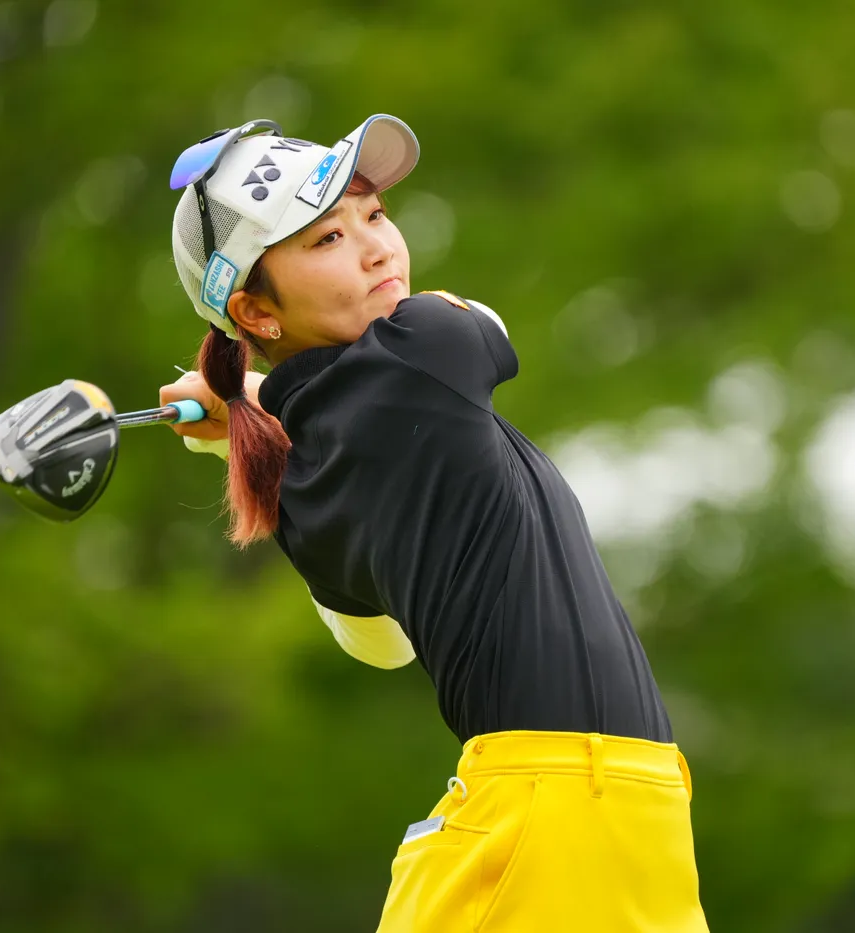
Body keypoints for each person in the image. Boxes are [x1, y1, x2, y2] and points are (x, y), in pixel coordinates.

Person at [159, 114, 709, 932]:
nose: (378, 249)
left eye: (374, 215)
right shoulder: (426, 346)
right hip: (549, 817)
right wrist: (252, 401)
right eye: (327, 238)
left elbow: (381, 644)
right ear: (257, 311)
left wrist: (245, 413)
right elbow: (482, 323)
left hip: (615, 810)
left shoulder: (297, 491)